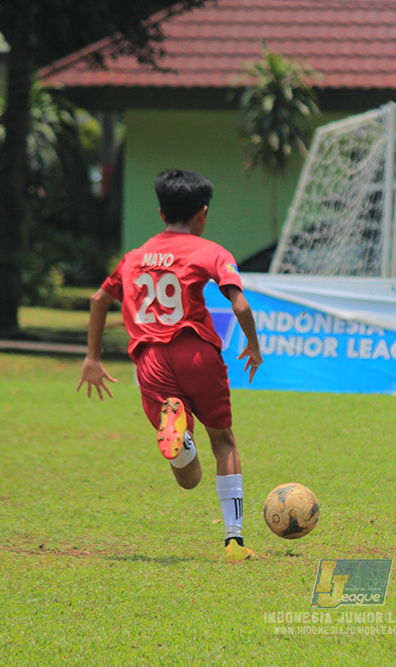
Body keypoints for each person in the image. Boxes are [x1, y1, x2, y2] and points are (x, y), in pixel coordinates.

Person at [77, 169, 263, 562]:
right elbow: (240, 304)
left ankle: (182, 441)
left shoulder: (134, 257)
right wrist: (252, 344)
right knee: (224, 441)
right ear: (203, 213)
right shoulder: (211, 251)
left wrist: (93, 357)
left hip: (149, 361)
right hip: (195, 352)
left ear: (161, 214)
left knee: (187, 477)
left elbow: (98, 300)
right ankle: (234, 541)